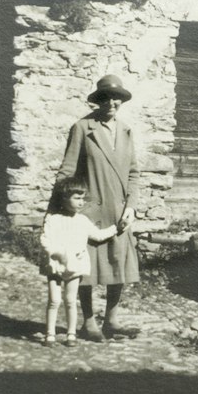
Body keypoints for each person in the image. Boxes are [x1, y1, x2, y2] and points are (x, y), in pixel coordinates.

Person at [55, 73, 141, 341]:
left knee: (119, 267)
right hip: (90, 212)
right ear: (98, 100)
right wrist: (65, 211)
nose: (111, 102)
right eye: (105, 97)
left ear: (122, 100)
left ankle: (111, 321)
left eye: (116, 97)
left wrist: (131, 207)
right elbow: (66, 172)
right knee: (86, 270)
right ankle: (88, 322)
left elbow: (133, 173)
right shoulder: (82, 128)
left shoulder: (126, 131)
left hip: (118, 212)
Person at [39, 177, 118, 346]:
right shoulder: (53, 219)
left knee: (70, 300)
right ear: (64, 198)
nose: (81, 202)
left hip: (75, 264)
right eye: (77, 198)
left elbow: (98, 235)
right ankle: (50, 334)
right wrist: (58, 253)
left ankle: (71, 334)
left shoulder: (82, 221)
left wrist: (116, 229)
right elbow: (45, 241)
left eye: (83, 198)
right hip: (55, 264)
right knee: (54, 300)